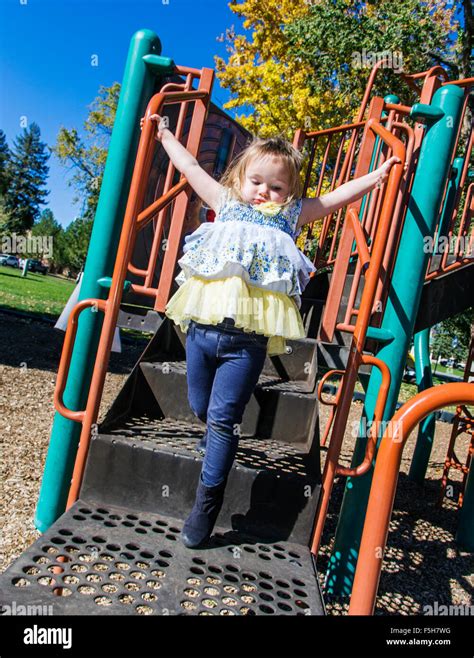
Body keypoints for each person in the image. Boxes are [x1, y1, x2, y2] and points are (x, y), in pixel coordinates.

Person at [142, 113, 400, 548]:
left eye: (277, 187)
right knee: (200, 407)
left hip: (246, 343)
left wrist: (377, 175)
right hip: (202, 332)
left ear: (290, 194)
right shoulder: (224, 202)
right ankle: (214, 450)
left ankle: (206, 505)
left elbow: (338, 197)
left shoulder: (292, 217)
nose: (265, 192)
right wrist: (166, 133)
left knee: (223, 421)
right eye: (257, 181)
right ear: (241, 179)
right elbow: (189, 168)